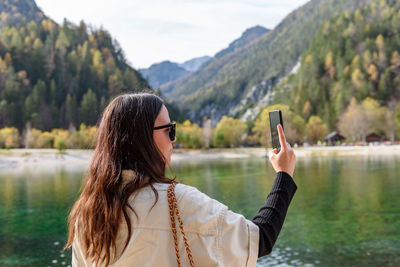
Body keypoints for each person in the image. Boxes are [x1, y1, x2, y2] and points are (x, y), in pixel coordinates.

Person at [65, 93, 297, 267]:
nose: (173, 140)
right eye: (169, 130)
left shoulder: (88, 212)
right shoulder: (180, 202)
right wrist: (284, 175)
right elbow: (261, 238)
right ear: (144, 138)